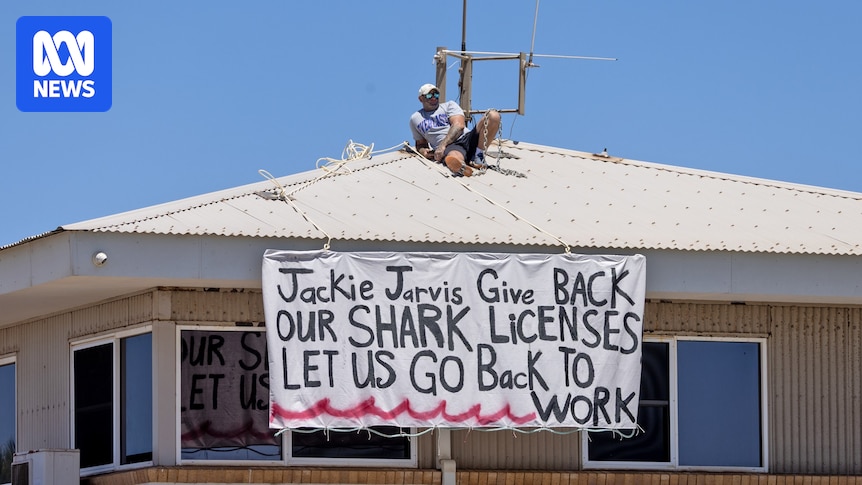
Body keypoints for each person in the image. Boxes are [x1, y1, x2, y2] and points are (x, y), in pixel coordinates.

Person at [409, 83, 501, 177]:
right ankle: (463, 167)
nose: (434, 98)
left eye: (436, 94)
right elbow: (420, 144)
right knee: (454, 157)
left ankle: (479, 155)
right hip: (451, 147)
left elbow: (458, 126)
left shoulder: (449, 105)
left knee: (493, 116)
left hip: (465, 137)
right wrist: (424, 152)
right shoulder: (415, 118)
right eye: (429, 95)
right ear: (421, 99)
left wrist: (442, 146)